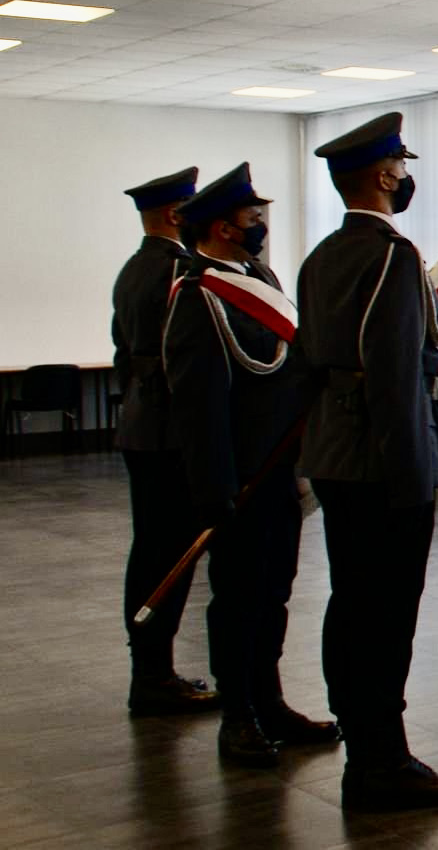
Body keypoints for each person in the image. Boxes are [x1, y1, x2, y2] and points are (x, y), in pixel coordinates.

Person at [297, 113, 438, 811]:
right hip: (383, 461)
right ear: (383, 176)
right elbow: (399, 377)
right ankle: (381, 762)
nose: (407, 177)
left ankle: (364, 744)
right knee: (386, 613)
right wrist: (410, 480)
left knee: (351, 604)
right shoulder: (392, 258)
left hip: (337, 455)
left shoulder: (322, 257)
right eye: (402, 166)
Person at [162, 162, 339, 766]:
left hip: (277, 474)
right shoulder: (198, 296)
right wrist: (214, 491)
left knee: (275, 594)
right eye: (252, 216)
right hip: (239, 478)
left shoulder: (257, 278)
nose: (262, 223)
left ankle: (270, 703)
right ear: (224, 227)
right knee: (237, 601)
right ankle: (237, 716)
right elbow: (199, 407)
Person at [113, 166, 221, 716]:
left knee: (150, 550)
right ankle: (154, 676)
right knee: (169, 556)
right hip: (171, 432)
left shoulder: (134, 269)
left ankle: (149, 668)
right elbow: (185, 358)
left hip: (140, 425)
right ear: (176, 215)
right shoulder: (180, 270)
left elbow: (121, 353)